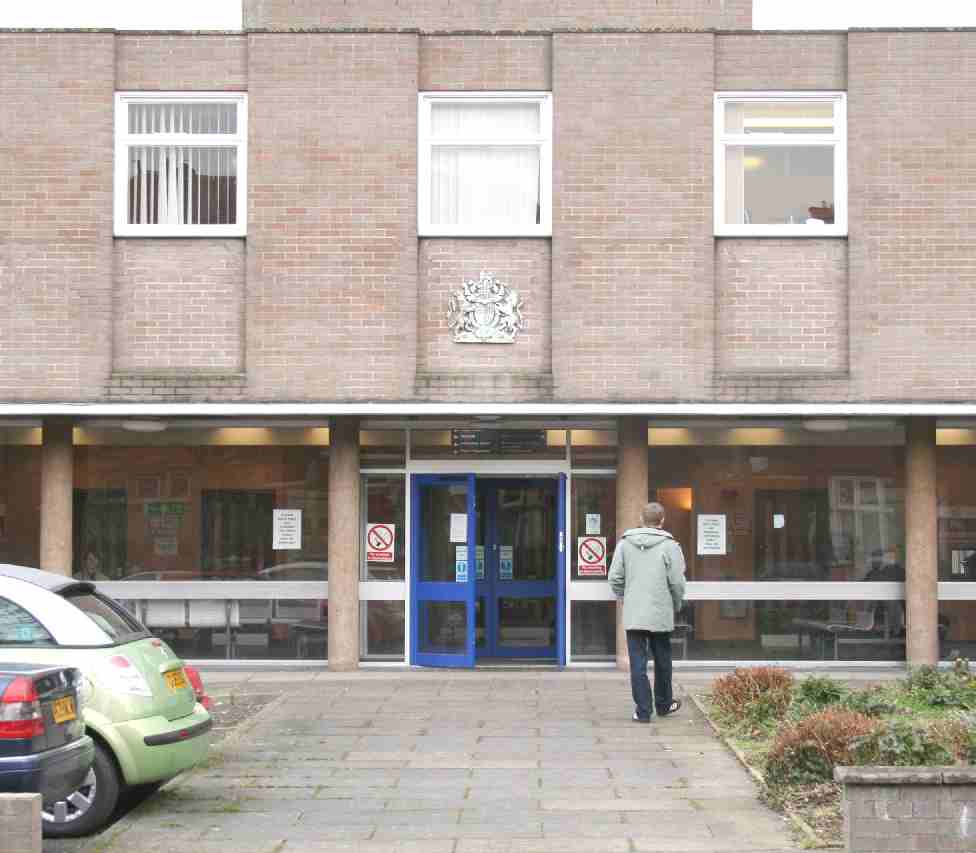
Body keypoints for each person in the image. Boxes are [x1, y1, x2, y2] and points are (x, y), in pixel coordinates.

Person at [608, 501, 687, 722]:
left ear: (641, 520)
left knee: (638, 663)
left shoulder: (625, 544)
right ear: (662, 521)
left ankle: (643, 711)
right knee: (663, 660)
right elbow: (677, 582)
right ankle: (663, 704)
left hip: (635, 613)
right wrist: (676, 602)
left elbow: (615, 578)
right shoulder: (670, 545)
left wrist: (625, 597)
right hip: (660, 612)